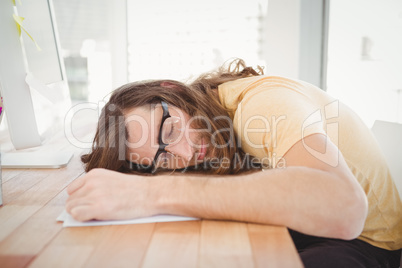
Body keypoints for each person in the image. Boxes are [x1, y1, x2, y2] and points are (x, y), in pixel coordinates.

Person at [66, 59, 402, 267]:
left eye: (170, 129)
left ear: (171, 89)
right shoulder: (211, 120)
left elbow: (345, 209)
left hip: (368, 244)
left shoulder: (261, 107)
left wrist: (150, 192)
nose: (183, 154)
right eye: (162, 159)